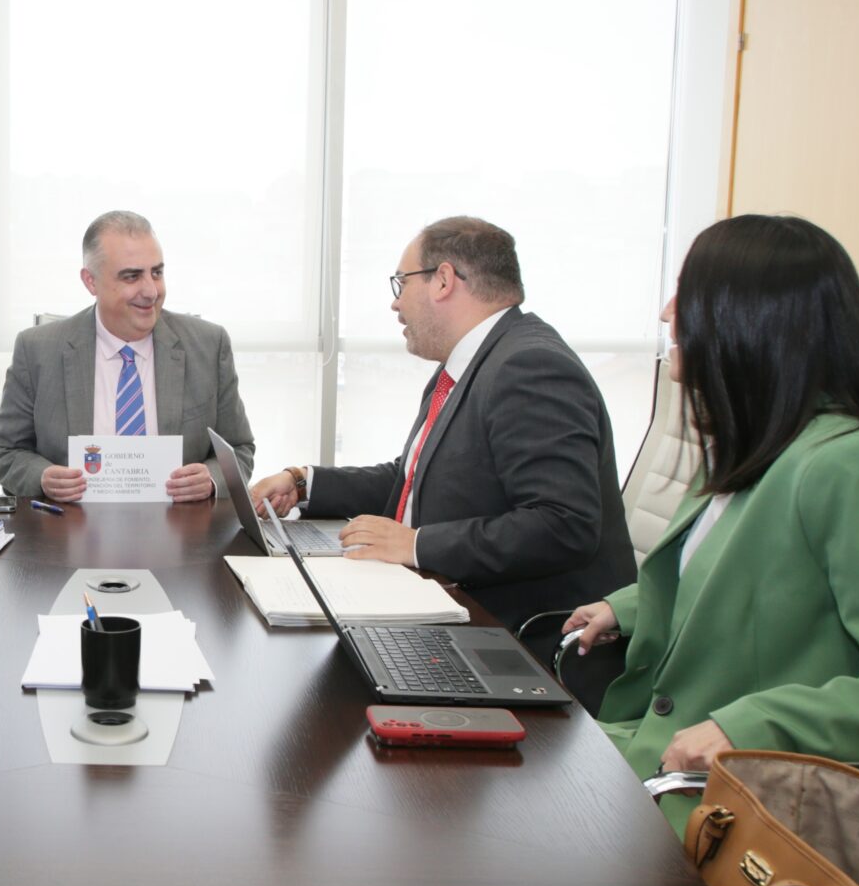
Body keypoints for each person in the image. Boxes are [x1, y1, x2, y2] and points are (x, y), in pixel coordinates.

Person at [562, 215, 859, 825]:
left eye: (688, 294)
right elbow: (746, 577)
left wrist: (750, 726)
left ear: (752, 321)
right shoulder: (756, 444)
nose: (668, 312)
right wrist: (630, 607)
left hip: (736, 804)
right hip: (657, 756)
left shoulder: (852, 466)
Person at [251, 215, 634, 636]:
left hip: (511, 630)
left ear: (444, 280)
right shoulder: (468, 363)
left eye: (401, 283)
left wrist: (415, 544)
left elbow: (562, 525)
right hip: (441, 595)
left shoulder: (529, 366)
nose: (395, 303)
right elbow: (414, 478)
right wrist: (304, 482)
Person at [0, 210, 255, 503]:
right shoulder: (37, 350)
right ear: (91, 281)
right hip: (71, 526)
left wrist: (212, 478)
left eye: (157, 273)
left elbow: (240, 451)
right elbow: (5, 452)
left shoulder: (208, 345)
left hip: (181, 527)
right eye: (132, 276)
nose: (151, 291)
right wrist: (42, 477)